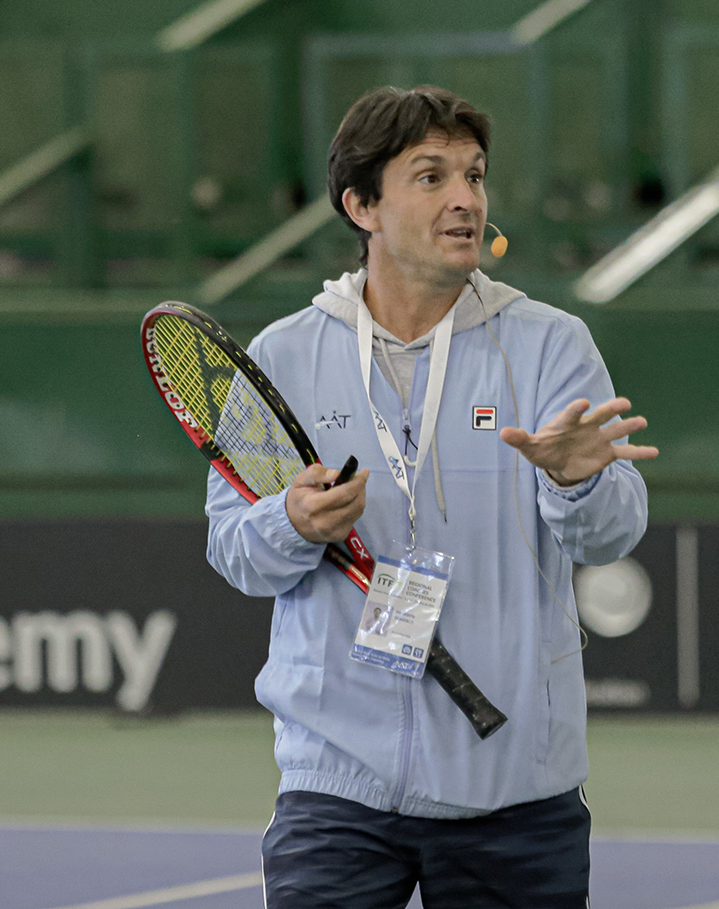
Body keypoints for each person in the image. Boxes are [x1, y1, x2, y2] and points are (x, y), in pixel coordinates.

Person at [205, 85, 657, 909]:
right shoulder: (284, 356)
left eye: (475, 176)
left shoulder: (551, 345)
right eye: (431, 177)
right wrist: (291, 522)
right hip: (334, 785)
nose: (465, 200)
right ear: (362, 205)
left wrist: (577, 478)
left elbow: (611, 535)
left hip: (517, 786)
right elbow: (234, 549)